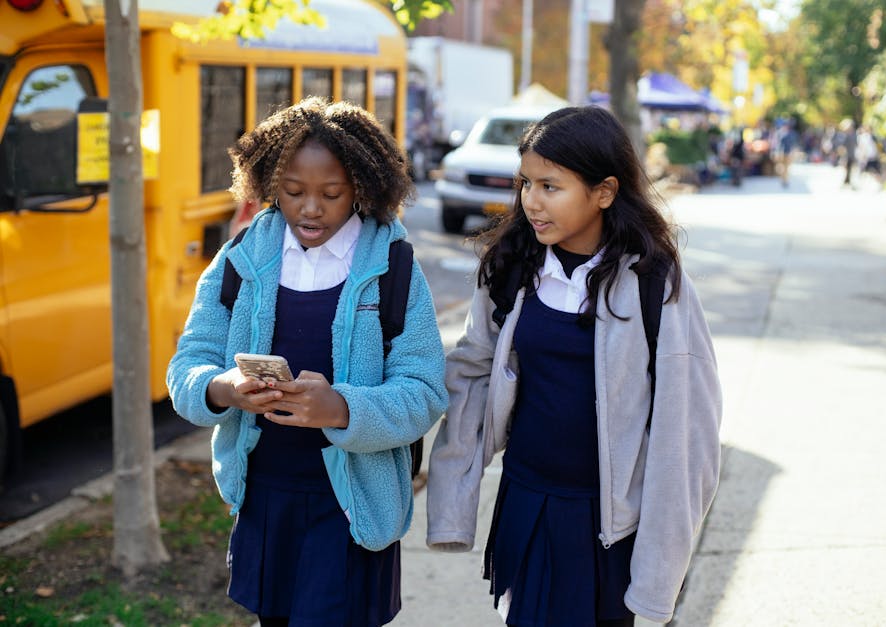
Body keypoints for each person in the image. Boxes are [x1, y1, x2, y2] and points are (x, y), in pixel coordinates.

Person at [426, 105, 722, 626]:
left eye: (550, 186)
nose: (531, 202)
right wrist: (452, 504)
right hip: (527, 504)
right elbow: (472, 373)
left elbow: (687, 434)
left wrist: (657, 577)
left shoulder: (656, 283)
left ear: (604, 192)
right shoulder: (511, 268)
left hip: (609, 527)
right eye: (526, 184)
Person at [166, 96, 447, 627]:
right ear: (269, 184)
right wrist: (221, 388)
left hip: (351, 506)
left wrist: (341, 407)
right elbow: (187, 366)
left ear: (362, 187)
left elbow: (426, 391)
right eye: (293, 192)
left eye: (331, 193)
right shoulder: (240, 258)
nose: (310, 209)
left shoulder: (395, 269)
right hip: (266, 498)